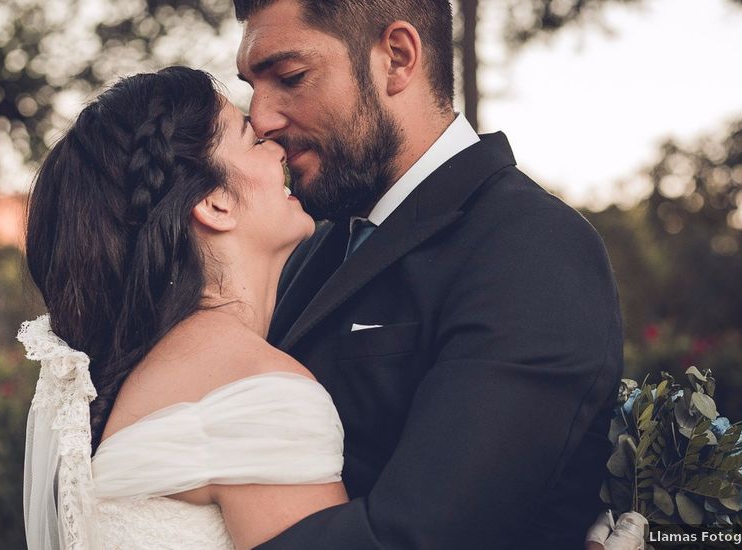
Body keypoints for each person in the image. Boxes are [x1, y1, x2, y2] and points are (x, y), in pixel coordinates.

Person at [233, 0, 628, 547]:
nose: (261, 119)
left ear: (397, 57)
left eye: (291, 77)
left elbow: (419, 536)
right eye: (253, 85)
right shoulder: (312, 244)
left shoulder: (533, 247)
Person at [21, 66, 348, 550]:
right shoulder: (253, 393)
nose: (277, 147)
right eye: (253, 141)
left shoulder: (146, 373)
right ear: (215, 202)